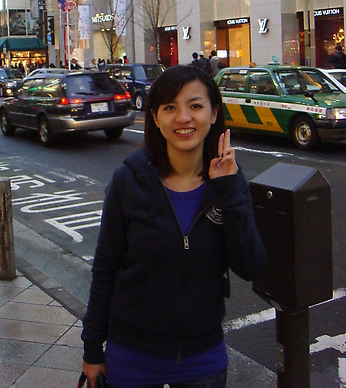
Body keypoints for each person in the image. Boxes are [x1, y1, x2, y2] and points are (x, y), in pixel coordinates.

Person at [81, 65, 266, 388]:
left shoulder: (228, 182)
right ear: (154, 117)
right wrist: (93, 349)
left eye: (195, 106)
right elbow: (105, 268)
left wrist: (228, 191)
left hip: (202, 358)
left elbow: (250, 265)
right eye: (170, 108)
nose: (183, 118)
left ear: (213, 114)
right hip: (132, 356)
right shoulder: (128, 180)